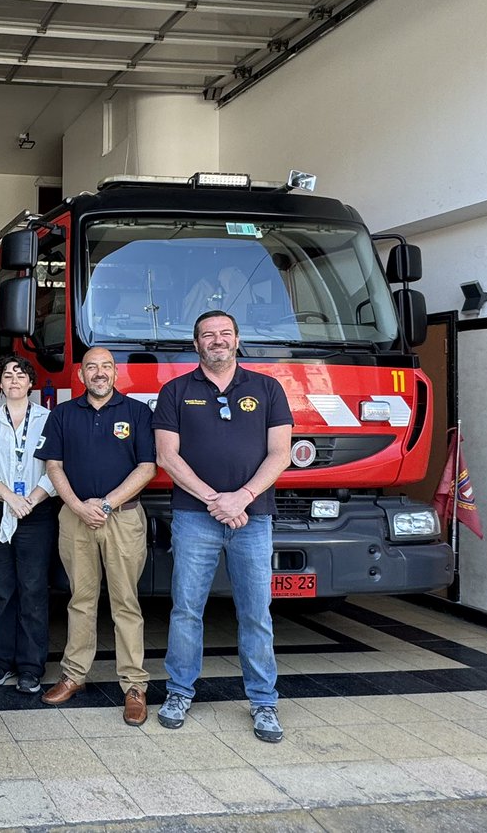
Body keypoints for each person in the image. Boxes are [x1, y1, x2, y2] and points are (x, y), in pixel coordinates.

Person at [152, 310, 293, 743]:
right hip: (196, 518)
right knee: (186, 610)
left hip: (253, 518)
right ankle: (178, 692)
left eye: (224, 334)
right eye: (208, 335)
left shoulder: (268, 389)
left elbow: (280, 454)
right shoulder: (175, 391)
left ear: (236, 341)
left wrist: (242, 497)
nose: (217, 341)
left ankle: (264, 702)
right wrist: (216, 500)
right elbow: (167, 457)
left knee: (255, 613)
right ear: (196, 344)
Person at [35, 347, 156, 725]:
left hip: (122, 518)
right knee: (81, 600)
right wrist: (76, 505)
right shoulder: (63, 414)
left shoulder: (137, 413)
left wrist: (104, 504)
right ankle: (74, 675)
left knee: (126, 603)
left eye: (106, 367)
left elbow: (148, 467)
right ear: (81, 375)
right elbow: (53, 465)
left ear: (115, 373)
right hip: (75, 519)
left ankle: (134, 685)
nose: (99, 373)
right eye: (91, 367)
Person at [0, 356, 58, 695]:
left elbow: (55, 466)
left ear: (31, 383)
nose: (13, 379)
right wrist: (10, 497)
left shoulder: (49, 419)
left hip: (36, 513)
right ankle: (0, 662)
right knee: (1, 589)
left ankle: (31, 666)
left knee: (33, 589)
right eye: (7, 375)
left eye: (20, 374)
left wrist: (31, 500)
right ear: (1, 384)